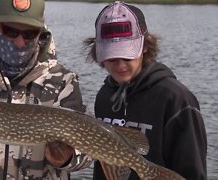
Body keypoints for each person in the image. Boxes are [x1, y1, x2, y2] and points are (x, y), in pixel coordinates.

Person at [0, 0, 92, 179]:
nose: (20, 43)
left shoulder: (64, 81)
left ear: (40, 32)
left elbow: (87, 153)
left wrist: (67, 158)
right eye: (10, 31)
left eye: (30, 33)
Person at [84, 1, 207, 180]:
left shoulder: (177, 99)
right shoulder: (105, 95)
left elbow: (192, 171)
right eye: (112, 57)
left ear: (145, 46)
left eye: (127, 55)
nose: (120, 65)